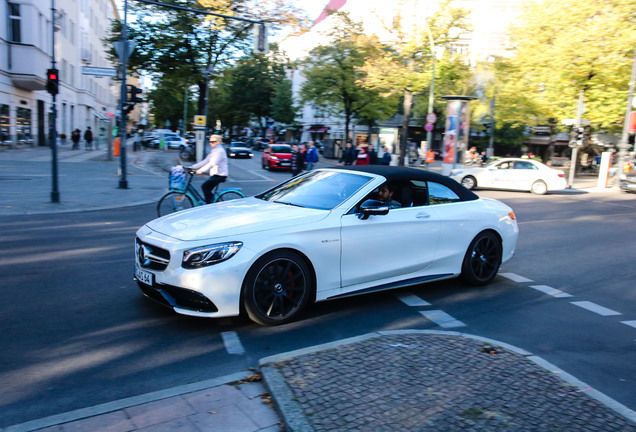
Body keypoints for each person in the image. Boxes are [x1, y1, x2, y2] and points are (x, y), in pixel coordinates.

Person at [191, 134, 229, 204]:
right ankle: (212, 203)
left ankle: (211, 205)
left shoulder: (220, 151)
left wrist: (201, 170)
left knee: (205, 187)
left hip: (221, 175)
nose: (210, 143)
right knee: (207, 189)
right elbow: (205, 161)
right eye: (210, 141)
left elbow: (212, 163)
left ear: (218, 142)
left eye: (213, 142)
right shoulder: (214, 150)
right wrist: (192, 167)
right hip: (217, 174)